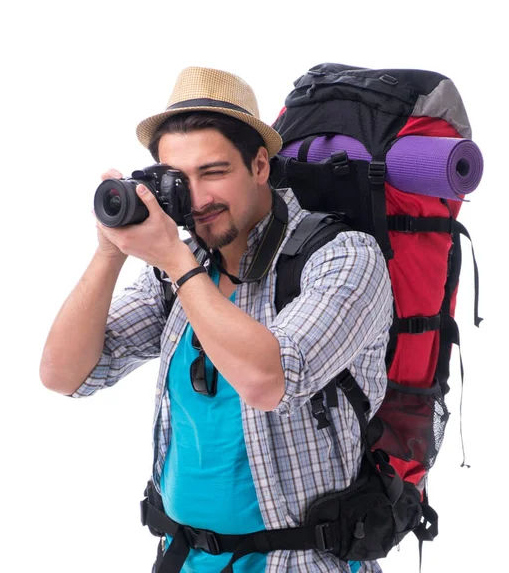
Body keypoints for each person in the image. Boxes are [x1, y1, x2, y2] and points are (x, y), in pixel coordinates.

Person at [40, 67, 394, 573]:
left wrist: (178, 263)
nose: (198, 199)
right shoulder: (184, 267)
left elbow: (271, 378)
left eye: (213, 172)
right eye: (178, 179)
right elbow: (65, 374)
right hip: (184, 558)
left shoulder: (343, 258)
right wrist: (109, 252)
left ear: (259, 167)